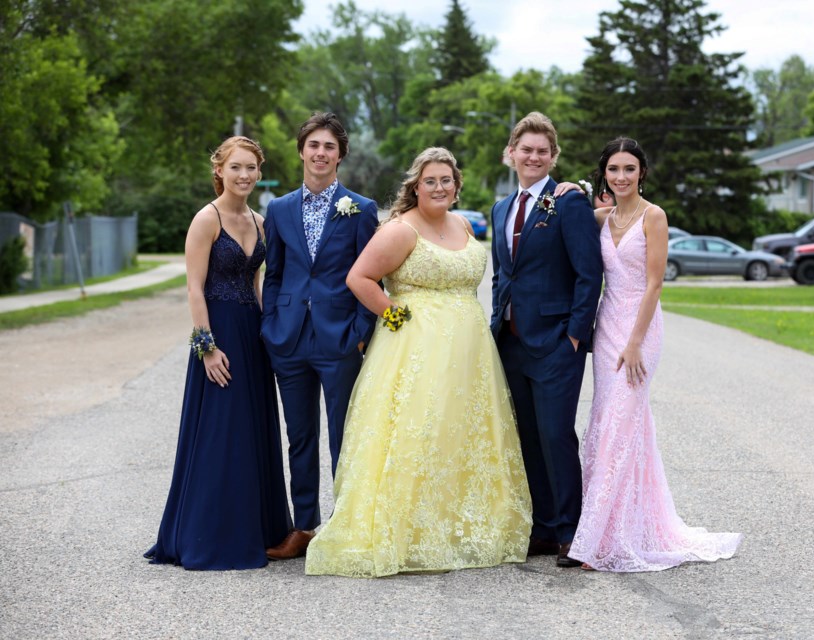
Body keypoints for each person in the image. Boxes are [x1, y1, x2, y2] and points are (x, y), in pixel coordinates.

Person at [304, 147, 532, 578]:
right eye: (431, 180)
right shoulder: (400, 231)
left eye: (447, 179)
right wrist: (392, 314)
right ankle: (409, 529)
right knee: (420, 430)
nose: (440, 187)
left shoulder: (463, 224)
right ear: (416, 185)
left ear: (456, 184)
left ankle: (460, 523)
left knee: (461, 433)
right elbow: (359, 278)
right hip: (417, 348)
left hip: (469, 352)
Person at [567, 137, 742, 571]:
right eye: (613, 169)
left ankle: (597, 542)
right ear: (603, 174)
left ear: (642, 172)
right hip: (607, 323)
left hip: (639, 329)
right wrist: (567, 189)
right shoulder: (602, 217)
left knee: (621, 425)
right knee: (611, 421)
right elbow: (568, 218)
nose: (621, 177)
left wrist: (634, 342)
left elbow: (654, 284)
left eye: (629, 169)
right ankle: (621, 528)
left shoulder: (654, 216)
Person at [145, 136, 292, 570]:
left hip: (252, 334)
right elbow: (193, 289)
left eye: (251, 168)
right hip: (218, 334)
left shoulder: (262, 221)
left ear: (259, 173)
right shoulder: (205, 220)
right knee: (220, 432)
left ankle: (260, 529)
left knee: (253, 430)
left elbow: (258, 281)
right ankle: (207, 535)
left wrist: (272, 329)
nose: (244, 175)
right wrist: (207, 349)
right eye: (236, 168)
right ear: (220, 171)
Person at [260, 112, 379, 560]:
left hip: (339, 340)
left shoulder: (361, 209)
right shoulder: (280, 208)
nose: (321, 153)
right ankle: (304, 527)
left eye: (330, 146)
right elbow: (274, 275)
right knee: (300, 436)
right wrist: (271, 325)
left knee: (343, 434)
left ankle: (344, 525)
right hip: (288, 339)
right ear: (302, 151)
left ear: (340, 155)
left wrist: (360, 333)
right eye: (314, 145)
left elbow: (374, 277)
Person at [489, 112, 603, 568]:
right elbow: (504, 274)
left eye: (542, 151)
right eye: (526, 149)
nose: (533, 157)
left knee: (556, 435)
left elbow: (588, 273)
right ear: (511, 153)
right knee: (528, 438)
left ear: (553, 157)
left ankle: (572, 534)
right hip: (511, 342)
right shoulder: (501, 208)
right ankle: (542, 529)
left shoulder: (568, 202)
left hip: (557, 343)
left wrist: (574, 335)